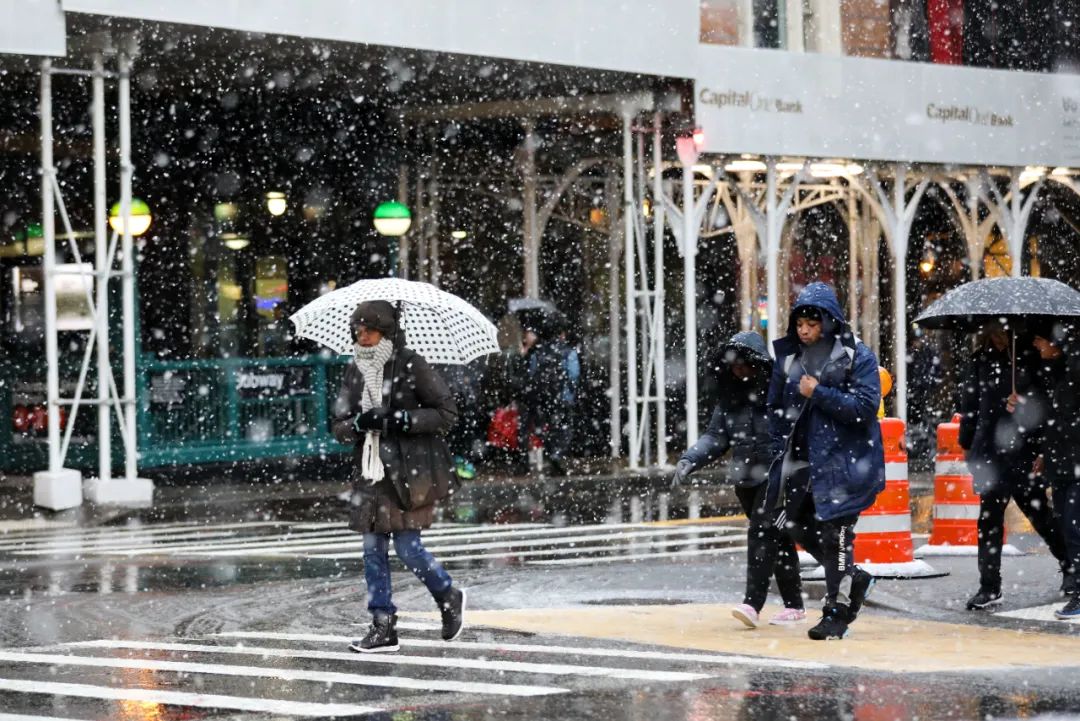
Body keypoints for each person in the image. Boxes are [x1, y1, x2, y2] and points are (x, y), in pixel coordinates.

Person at [331, 300, 465, 653]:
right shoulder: (355, 369)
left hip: (409, 471)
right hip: (371, 469)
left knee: (408, 548)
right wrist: (359, 424)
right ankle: (382, 625)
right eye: (357, 331)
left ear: (387, 332)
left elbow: (446, 413)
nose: (362, 337)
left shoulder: (411, 364)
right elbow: (338, 426)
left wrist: (398, 420)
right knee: (372, 550)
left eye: (370, 331)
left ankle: (448, 594)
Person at [765, 282, 883, 641]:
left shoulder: (856, 357)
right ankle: (854, 577)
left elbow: (864, 407)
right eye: (800, 322)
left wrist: (819, 392)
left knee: (838, 538)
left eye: (812, 323)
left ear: (829, 322)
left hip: (845, 464)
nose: (804, 330)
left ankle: (837, 611)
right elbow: (775, 407)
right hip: (803, 464)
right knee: (787, 523)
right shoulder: (788, 358)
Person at [671, 331, 806, 628]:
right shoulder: (730, 399)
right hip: (746, 481)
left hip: (777, 478)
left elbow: (799, 432)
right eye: (735, 365)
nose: (740, 371)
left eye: (745, 364)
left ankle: (752, 603)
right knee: (778, 540)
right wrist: (690, 459)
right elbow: (716, 437)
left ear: (759, 364)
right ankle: (795, 605)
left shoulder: (780, 393)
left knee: (761, 533)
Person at [958, 321, 1067, 611]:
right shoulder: (980, 360)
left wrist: (1024, 403)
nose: (999, 338)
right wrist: (967, 443)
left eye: (1004, 332)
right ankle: (989, 586)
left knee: (1039, 513)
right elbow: (970, 404)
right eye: (994, 332)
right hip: (991, 451)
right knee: (989, 520)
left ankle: (1070, 567)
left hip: (1022, 449)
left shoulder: (1030, 357)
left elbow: (1048, 400)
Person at [1029, 323, 1079, 618]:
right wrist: (1046, 452)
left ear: (1056, 344)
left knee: (1074, 526)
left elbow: (1065, 418)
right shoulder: (1058, 372)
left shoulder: (1073, 372)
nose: (1036, 345)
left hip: (1073, 462)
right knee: (1066, 523)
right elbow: (1056, 419)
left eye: (1040, 340)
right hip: (1062, 462)